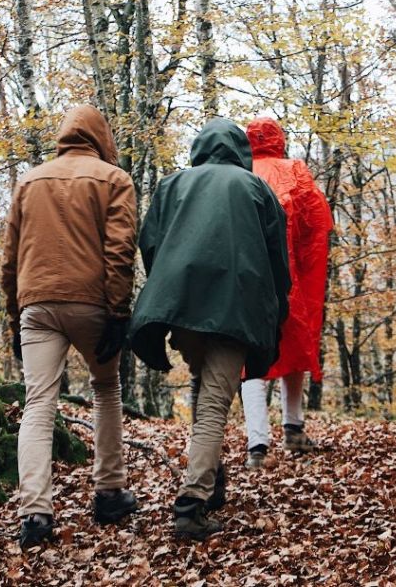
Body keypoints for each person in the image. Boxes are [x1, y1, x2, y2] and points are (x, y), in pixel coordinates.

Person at [129, 118, 290, 540]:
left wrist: (170, 289)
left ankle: (212, 479)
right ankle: (191, 503)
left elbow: (151, 244)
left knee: (205, 389)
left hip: (183, 308)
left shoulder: (172, 185)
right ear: (240, 149)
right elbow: (277, 257)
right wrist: (278, 306)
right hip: (236, 308)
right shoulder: (256, 188)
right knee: (216, 400)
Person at [2, 105, 139, 550]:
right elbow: (120, 251)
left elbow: (10, 258)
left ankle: (36, 513)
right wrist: (119, 312)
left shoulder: (29, 180)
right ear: (103, 137)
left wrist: (13, 316)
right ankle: (109, 493)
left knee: (38, 404)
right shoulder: (114, 180)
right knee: (106, 389)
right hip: (93, 303)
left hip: (36, 304)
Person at [239, 117, 333, 469]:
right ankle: (293, 430)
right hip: (291, 278)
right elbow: (317, 223)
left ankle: (257, 445)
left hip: (249, 280)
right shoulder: (295, 170)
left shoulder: (240, 171)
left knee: (252, 358)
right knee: (296, 348)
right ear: (279, 139)